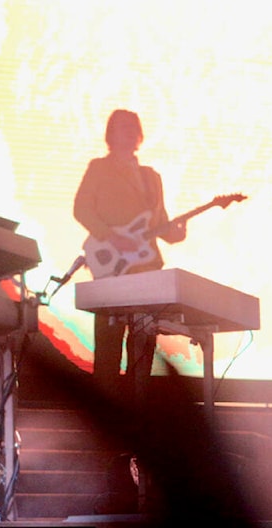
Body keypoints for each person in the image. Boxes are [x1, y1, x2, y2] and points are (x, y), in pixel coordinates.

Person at [73, 109, 187, 402]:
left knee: (143, 345)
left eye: (133, 127)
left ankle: (138, 413)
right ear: (110, 134)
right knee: (109, 344)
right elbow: (82, 209)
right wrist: (112, 236)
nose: (128, 131)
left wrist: (177, 232)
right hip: (112, 267)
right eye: (121, 127)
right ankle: (107, 415)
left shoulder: (152, 177)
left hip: (147, 270)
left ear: (140, 135)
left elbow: (160, 223)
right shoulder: (99, 168)